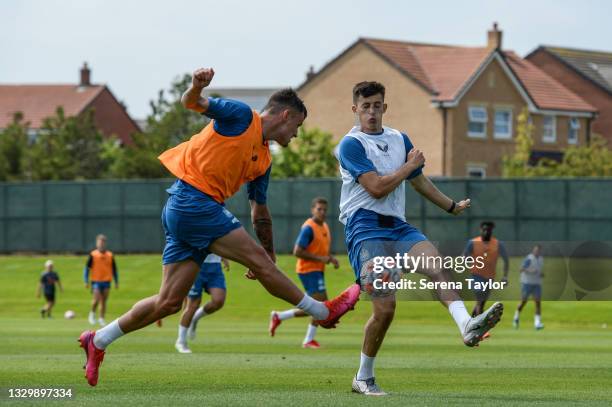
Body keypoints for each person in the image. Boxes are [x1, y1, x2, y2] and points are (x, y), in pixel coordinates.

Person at [79, 67, 359, 387]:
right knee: (251, 263)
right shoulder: (242, 116)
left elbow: (259, 208)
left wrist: (267, 252)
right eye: (297, 126)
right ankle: (323, 313)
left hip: (190, 210)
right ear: (285, 115)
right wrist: (197, 86)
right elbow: (192, 103)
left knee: (168, 302)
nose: (296, 135)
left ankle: (98, 340)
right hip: (192, 201)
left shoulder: (265, 158)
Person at [337, 81, 503, 396]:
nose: (371, 112)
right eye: (365, 106)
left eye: (376, 105)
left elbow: (420, 182)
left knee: (437, 266)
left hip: (398, 227)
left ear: (384, 107)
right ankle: (363, 377)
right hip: (365, 228)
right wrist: (410, 166)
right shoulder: (351, 144)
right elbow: (376, 188)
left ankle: (466, 325)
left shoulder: (400, 139)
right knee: (385, 310)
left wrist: (451, 206)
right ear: (355, 109)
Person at [269, 197, 340, 349]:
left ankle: (280, 316)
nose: (322, 212)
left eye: (324, 210)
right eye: (319, 209)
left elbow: (320, 249)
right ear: (312, 210)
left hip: (317, 270)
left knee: (317, 307)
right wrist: (321, 258)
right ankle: (308, 339)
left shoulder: (325, 226)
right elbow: (297, 251)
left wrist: (330, 259)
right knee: (320, 306)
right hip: (308, 270)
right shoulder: (309, 227)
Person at [175, 254, 229, 353]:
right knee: (193, 304)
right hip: (196, 265)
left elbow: (219, 240)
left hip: (215, 267)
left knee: (218, 301)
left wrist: (224, 257)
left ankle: (195, 318)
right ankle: (181, 341)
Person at [463, 221, 509, 316]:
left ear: (492, 231)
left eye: (488, 230)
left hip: (490, 277)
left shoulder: (498, 244)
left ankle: (470, 323)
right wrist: (468, 261)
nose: (486, 232)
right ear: (480, 230)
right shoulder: (473, 242)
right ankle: (481, 328)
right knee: (480, 298)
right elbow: (464, 255)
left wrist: (505, 276)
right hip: (476, 275)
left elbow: (506, 260)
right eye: (484, 230)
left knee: (481, 303)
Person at [84, 234, 118, 327]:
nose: (101, 244)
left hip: (106, 281)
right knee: (96, 299)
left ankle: (101, 318)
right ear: (97, 243)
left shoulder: (110, 255)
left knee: (103, 301)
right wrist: (86, 280)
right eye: (100, 242)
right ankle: (92, 314)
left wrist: (116, 281)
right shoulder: (93, 254)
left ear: (105, 243)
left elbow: (114, 269)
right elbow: (87, 268)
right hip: (96, 281)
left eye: (103, 242)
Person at [513, 244, 544, 330]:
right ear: (533, 250)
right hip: (527, 283)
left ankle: (537, 323)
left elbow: (538, 271)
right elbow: (521, 269)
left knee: (538, 302)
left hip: (537, 283)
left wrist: (541, 274)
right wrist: (531, 271)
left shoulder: (541, 259)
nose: (537, 252)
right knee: (523, 302)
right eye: (536, 250)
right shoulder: (529, 259)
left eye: (538, 250)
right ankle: (516, 317)